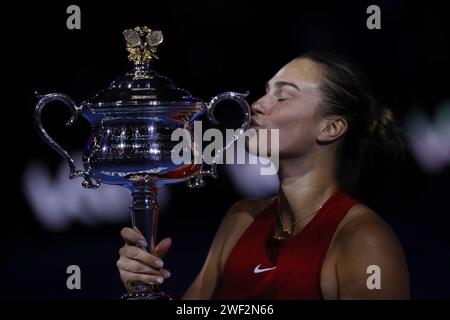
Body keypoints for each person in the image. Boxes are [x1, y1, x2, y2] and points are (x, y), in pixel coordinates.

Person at [116, 52, 410, 299]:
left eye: (283, 96)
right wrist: (142, 288)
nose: (256, 105)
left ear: (330, 128)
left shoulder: (364, 241)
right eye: (267, 91)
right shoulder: (240, 220)